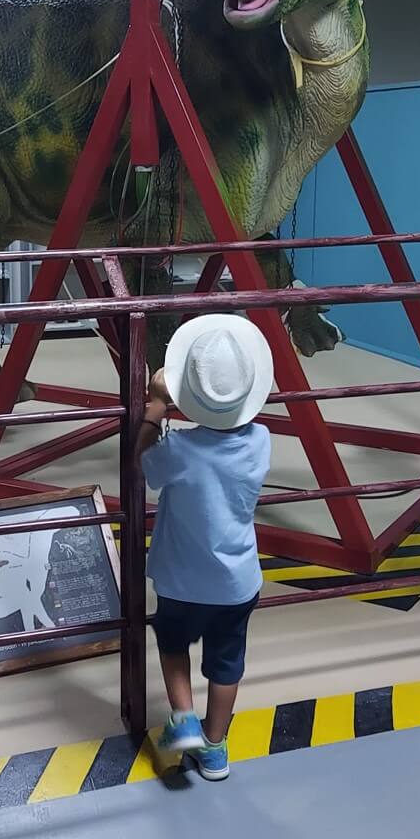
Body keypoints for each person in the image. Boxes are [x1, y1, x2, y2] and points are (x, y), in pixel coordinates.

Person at [136, 314, 273, 781]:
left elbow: (141, 463)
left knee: (173, 645)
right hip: (237, 582)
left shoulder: (178, 451)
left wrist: (157, 406)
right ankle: (214, 749)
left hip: (180, 581)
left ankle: (184, 719)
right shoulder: (261, 440)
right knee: (226, 663)